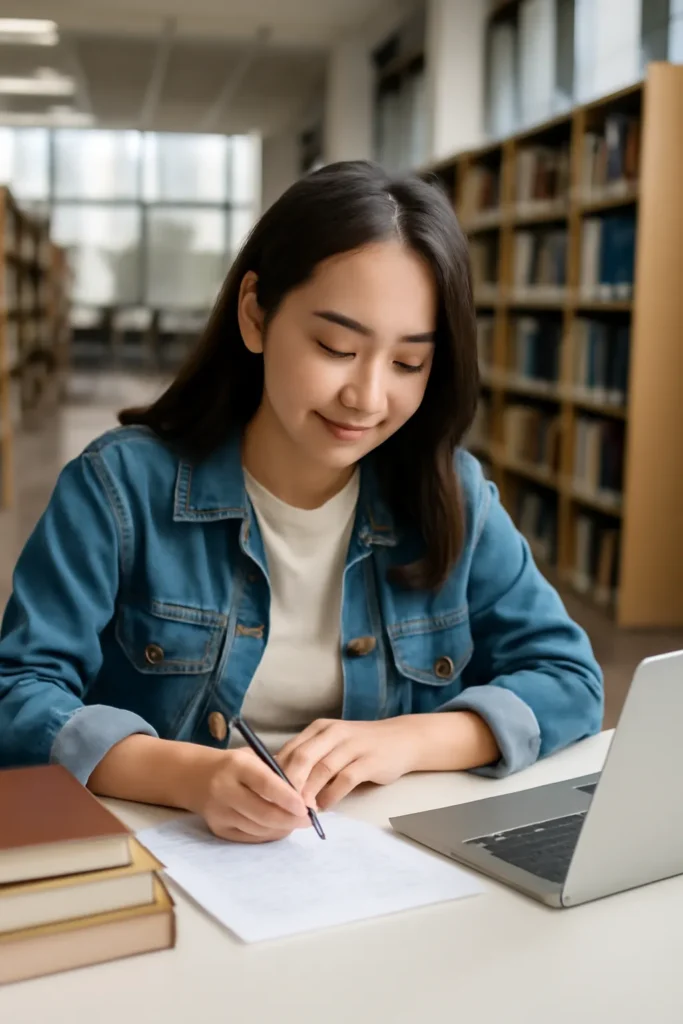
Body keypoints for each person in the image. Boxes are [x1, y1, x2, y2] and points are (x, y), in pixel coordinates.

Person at [0, 161, 603, 845]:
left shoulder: (449, 494)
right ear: (255, 313)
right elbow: (17, 693)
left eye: (408, 363)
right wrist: (186, 776)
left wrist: (409, 741)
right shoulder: (119, 488)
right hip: (169, 861)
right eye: (335, 346)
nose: (368, 397)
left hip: (371, 868)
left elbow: (568, 679)